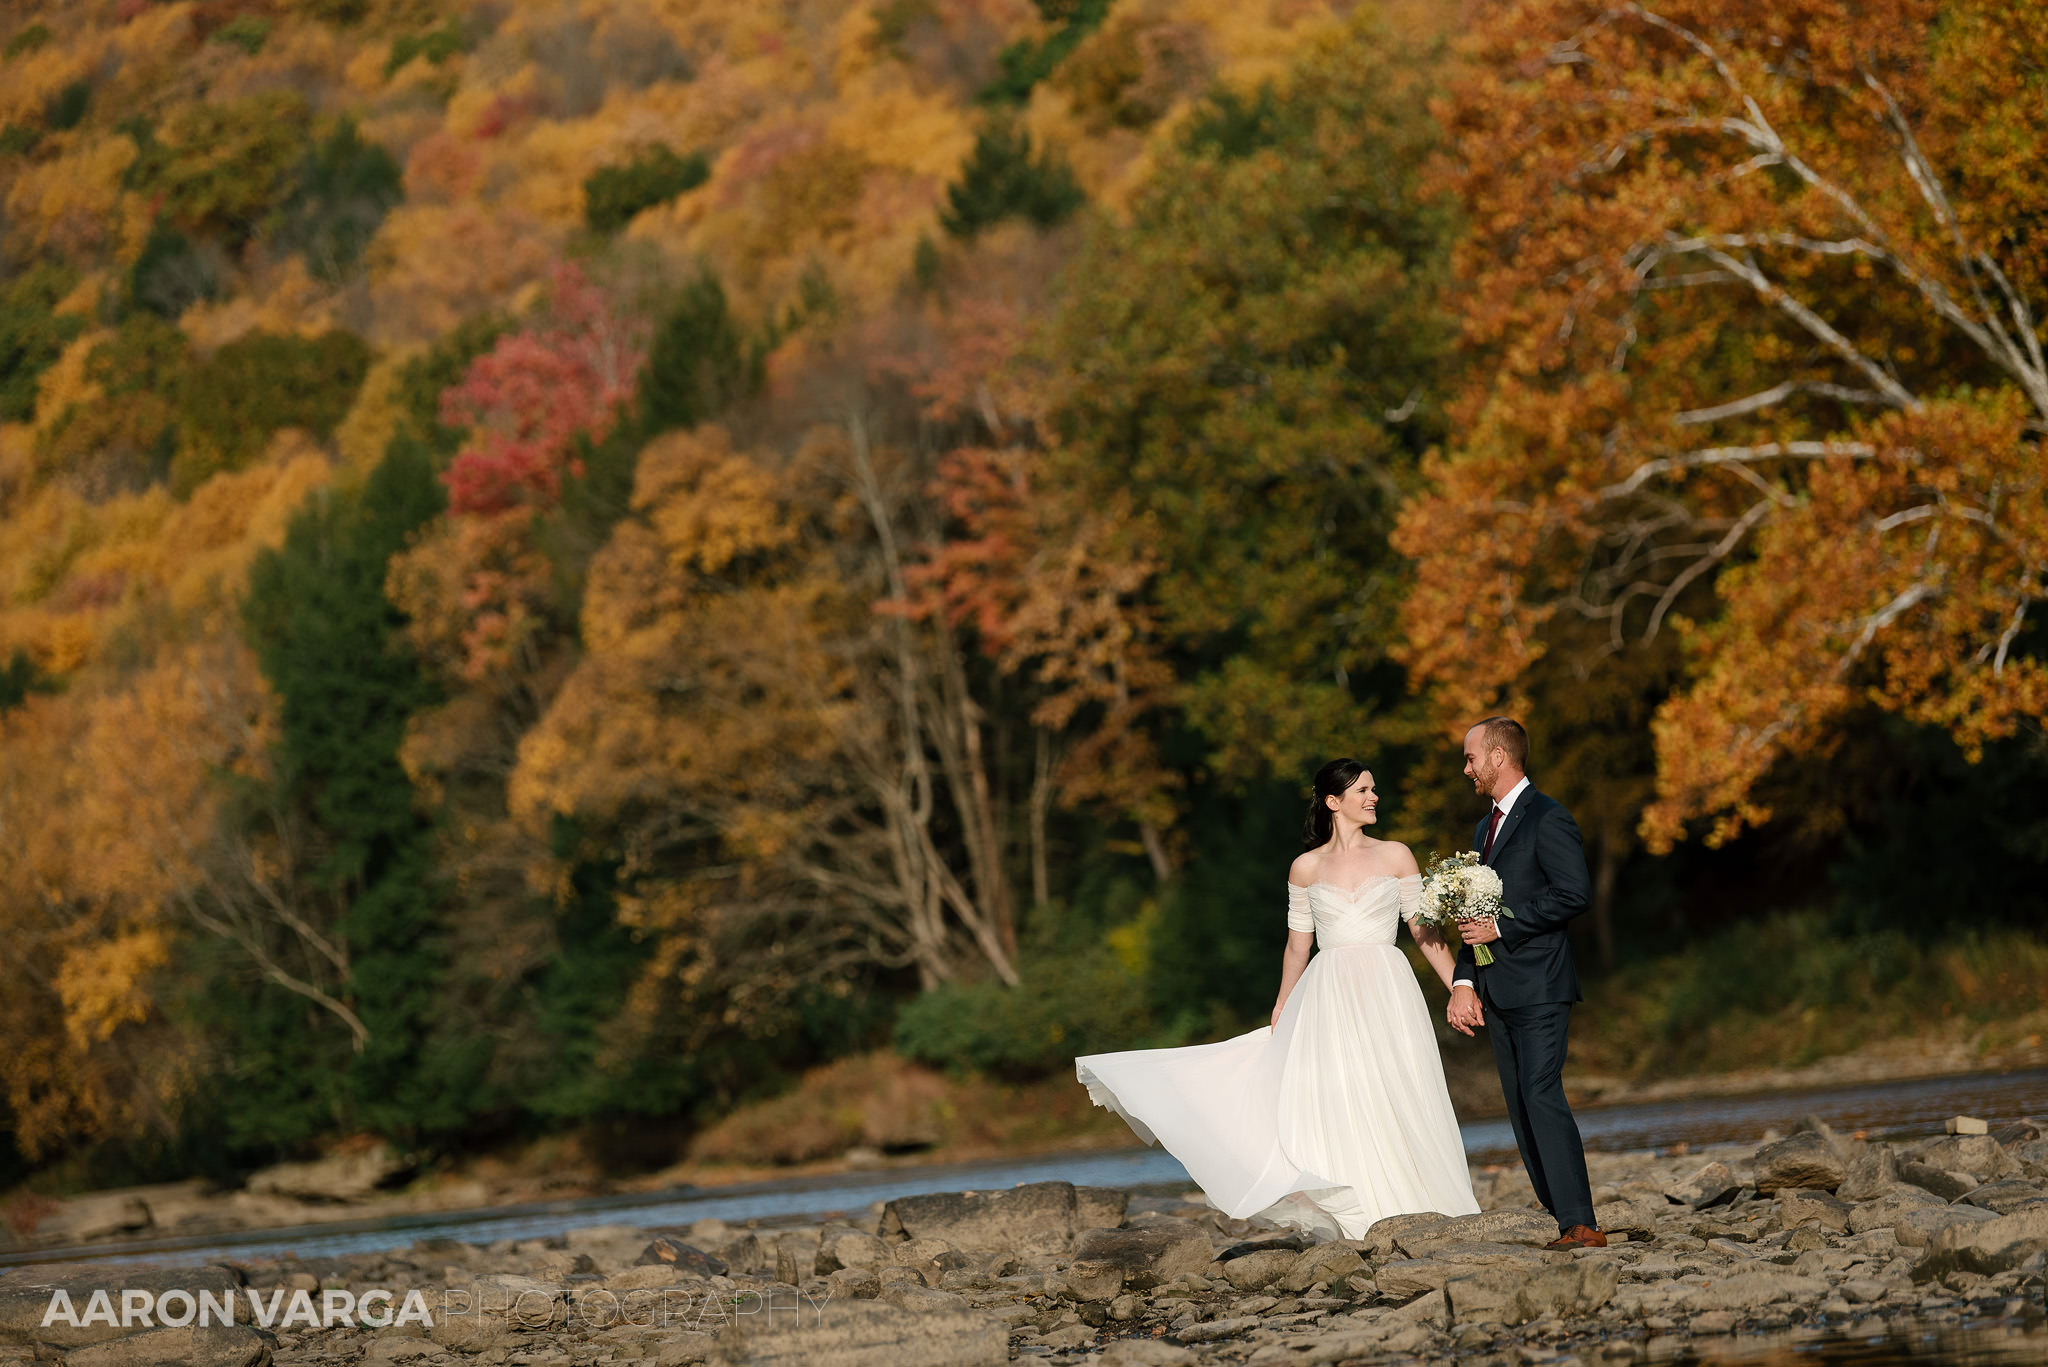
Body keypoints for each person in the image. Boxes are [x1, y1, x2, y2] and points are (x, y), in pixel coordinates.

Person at [1074, 758, 1478, 1240]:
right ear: (1334, 802)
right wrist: (1283, 1004)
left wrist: (1459, 984)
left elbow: (1422, 928)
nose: (1374, 798)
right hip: (1328, 990)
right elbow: (1297, 944)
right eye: (1364, 790)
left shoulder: (1396, 855)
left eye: (1374, 789)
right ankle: (1362, 1209)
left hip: (1388, 986)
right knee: (1341, 1094)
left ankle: (1425, 1200)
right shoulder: (1305, 867)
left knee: (1400, 1083)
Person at [1446, 716, 1605, 1250]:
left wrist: (1504, 926)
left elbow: (1573, 893)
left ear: (1498, 758)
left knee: (1540, 1093)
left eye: (1471, 758)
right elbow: (1473, 917)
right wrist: (1464, 982)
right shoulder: (1482, 829)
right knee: (1518, 1103)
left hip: (1541, 982)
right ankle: (1562, 1216)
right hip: (1496, 988)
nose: (1465, 768)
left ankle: (1582, 1224)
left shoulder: (1548, 817)